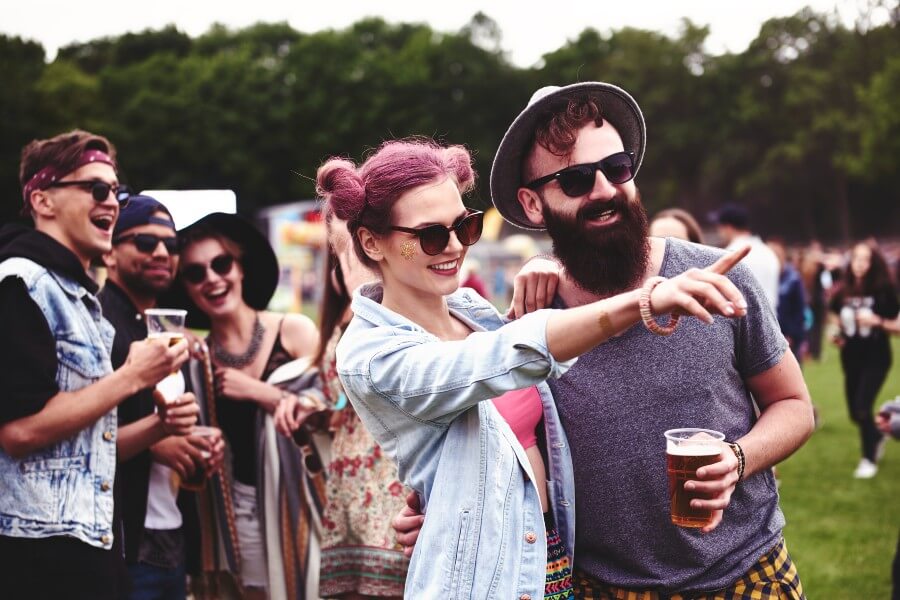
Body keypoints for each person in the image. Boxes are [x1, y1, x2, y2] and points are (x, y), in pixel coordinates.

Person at [397, 82, 813, 598]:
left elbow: (795, 404)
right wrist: (447, 515)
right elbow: (507, 458)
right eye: (574, 180)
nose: (603, 189)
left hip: (747, 574)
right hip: (601, 588)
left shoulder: (713, 275)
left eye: (616, 168)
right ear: (531, 202)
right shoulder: (530, 324)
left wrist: (740, 458)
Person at [317, 138, 750, 599]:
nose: (453, 247)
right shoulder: (370, 355)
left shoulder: (469, 309)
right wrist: (645, 300)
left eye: (464, 227)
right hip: (486, 582)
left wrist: (448, 501)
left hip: (551, 559)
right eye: (429, 235)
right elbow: (502, 359)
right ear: (371, 242)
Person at [0, 130, 189, 599]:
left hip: (93, 543)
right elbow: (18, 432)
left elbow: (89, 443)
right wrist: (132, 376)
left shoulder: (79, 298)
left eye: (116, 193)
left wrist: (159, 424)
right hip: (39, 554)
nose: (111, 203)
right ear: (42, 200)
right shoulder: (20, 284)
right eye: (96, 189)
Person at [171, 212, 324, 600]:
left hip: (308, 503)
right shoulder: (195, 359)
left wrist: (261, 393)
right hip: (239, 514)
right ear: (186, 287)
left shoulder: (293, 330)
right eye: (194, 273)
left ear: (240, 268)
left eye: (221, 264)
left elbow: (337, 411)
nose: (211, 279)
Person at [275, 206, 411, 599]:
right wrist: (309, 405)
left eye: (354, 253)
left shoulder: (388, 317)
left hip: (388, 473)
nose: (349, 268)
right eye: (340, 257)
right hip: (351, 475)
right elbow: (333, 398)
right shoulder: (341, 325)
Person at [99, 194, 223, 600]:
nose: (161, 253)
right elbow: (86, 440)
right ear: (111, 252)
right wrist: (160, 438)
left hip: (171, 535)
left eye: (170, 246)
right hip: (123, 543)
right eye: (144, 242)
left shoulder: (164, 330)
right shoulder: (100, 323)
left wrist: (195, 447)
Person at [827, 241, 899, 479]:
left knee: (862, 407)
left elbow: (897, 327)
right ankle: (877, 435)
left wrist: (877, 321)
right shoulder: (843, 290)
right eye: (855, 257)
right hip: (851, 358)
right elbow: (836, 318)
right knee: (854, 413)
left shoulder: (884, 291)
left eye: (865, 258)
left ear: (874, 263)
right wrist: (837, 335)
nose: (859, 263)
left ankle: (868, 458)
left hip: (877, 357)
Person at [711, 203, 780, 312]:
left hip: (742, 323)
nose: (718, 231)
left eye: (719, 227)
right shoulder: (768, 253)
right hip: (771, 322)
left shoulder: (728, 256)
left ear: (728, 227)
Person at [768, 239, 808, 360]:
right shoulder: (766, 279)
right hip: (770, 337)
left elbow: (799, 310)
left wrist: (792, 335)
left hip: (790, 337)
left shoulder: (793, 279)